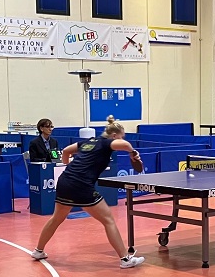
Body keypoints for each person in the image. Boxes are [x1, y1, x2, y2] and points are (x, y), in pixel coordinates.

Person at [30, 115, 146, 268]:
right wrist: (133, 153)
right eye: (120, 136)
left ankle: (38, 251)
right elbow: (125, 144)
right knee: (108, 220)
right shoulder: (106, 143)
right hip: (81, 185)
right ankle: (125, 260)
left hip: (65, 181)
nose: (121, 139)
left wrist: (69, 168)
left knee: (56, 218)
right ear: (113, 136)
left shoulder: (88, 142)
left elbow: (66, 151)